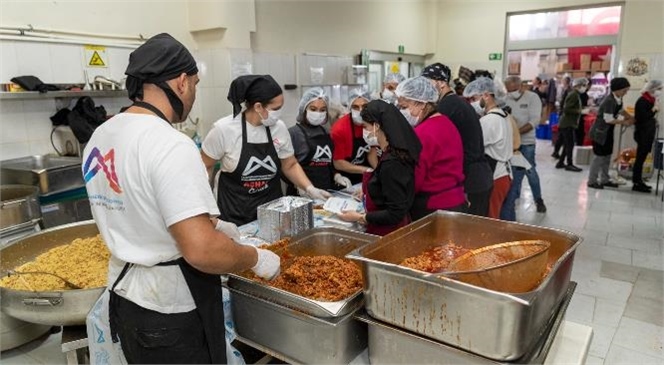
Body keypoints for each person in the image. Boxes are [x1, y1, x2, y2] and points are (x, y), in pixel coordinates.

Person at [82, 34, 280, 364]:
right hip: (169, 310)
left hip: (125, 296)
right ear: (182, 81)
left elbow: (141, 205)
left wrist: (212, 222)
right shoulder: (169, 144)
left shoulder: (101, 137)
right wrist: (255, 258)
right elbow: (201, 251)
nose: (194, 94)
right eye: (197, 84)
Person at [201, 75, 330, 226]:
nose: (279, 113)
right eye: (275, 109)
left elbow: (289, 164)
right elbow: (204, 167)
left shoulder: (279, 128)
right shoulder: (224, 130)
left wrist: (309, 188)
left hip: (273, 213)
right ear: (258, 107)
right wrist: (205, 209)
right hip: (234, 213)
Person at [337, 100, 422, 235]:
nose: (364, 132)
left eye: (365, 127)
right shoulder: (390, 152)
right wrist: (370, 192)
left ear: (377, 126)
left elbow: (395, 213)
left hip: (389, 233)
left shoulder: (393, 163)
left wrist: (360, 217)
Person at [421, 62, 493, 217]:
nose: (424, 89)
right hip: (479, 176)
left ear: (441, 83)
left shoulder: (447, 107)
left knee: (469, 234)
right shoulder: (457, 103)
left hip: (472, 179)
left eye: (427, 83)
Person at [396, 76, 466, 220]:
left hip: (433, 205)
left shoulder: (423, 133)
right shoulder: (446, 122)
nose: (401, 112)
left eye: (404, 107)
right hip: (455, 199)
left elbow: (415, 178)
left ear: (421, 104)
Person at [286, 87, 352, 195]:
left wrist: (336, 175)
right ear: (304, 109)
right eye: (313, 109)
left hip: (324, 192)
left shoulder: (326, 132)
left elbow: (327, 163)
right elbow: (285, 167)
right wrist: (298, 185)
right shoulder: (293, 134)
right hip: (301, 195)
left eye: (322, 110)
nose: (318, 113)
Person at [464, 77, 513, 219]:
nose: (472, 103)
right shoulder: (503, 115)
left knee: (489, 218)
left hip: (496, 176)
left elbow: (473, 145)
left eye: (474, 98)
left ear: (486, 95)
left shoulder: (490, 120)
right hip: (504, 173)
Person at [503, 76, 547, 216]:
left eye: (514, 90)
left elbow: (534, 120)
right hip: (512, 143)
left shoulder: (532, 98)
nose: (512, 93)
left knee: (530, 172)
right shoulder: (506, 99)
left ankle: (538, 199)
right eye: (509, 90)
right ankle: (513, 199)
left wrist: (516, 132)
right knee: (514, 173)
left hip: (527, 142)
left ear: (521, 86)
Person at [587, 77, 635, 189]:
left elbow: (620, 110)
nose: (626, 93)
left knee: (607, 156)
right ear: (617, 89)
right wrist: (624, 122)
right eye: (624, 90)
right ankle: (592, 181)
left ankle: (604, 179)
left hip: (608, 132)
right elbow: (608, 119)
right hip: (600, 133)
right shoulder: (609, 101)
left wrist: (631, 117)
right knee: (599, 157)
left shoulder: (618, 98)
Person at [331, 89, 378, 185]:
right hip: (346, 177)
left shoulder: (373, 123)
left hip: (366, 175)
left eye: (364, 106)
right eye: (355, 107)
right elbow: (338, 163)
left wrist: (378, 170)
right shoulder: (340, 129)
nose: (360, 111)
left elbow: (371, 150)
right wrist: (367, 170)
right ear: (349, 108)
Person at [632, 80, 662, 192]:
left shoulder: (650, 100)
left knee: (642, 158)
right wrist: (653, 111)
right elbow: (641, 118)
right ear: (652, 89)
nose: (660, 91)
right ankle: (636, 182)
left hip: (647, 133)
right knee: (640, 158)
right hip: (642, 134)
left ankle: (639, 181)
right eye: (659, 89)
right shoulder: (642, 101)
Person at [555, 78, 588, 172]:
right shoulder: (573, 95)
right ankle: (569, 164)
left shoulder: (576, 95)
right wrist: (580, 111)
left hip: (569, 123)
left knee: (567, 144)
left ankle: (561, 162)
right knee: (570, 144)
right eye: (584, 85)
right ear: (578, 85)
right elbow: (567, 109)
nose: (585, 88)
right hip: (567, 123)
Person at [552, 76, 572, 158]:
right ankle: (557, 153)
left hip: (562, 115)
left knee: (561, 136)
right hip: (564, 116)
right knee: (563, 136)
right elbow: (564, 104)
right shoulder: (567, 91)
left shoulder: (567, 90)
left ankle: (556, 152)